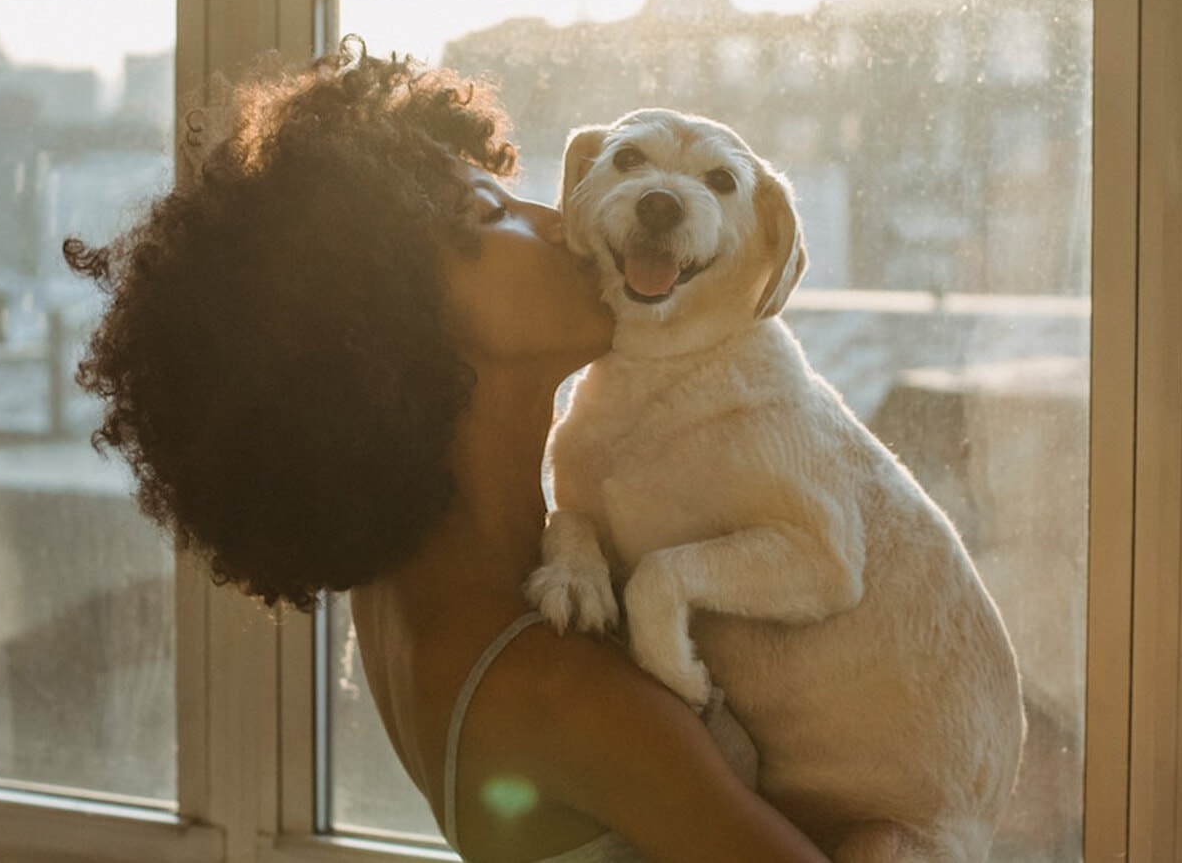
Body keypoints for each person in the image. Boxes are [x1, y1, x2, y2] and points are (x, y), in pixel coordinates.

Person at [68, 43, 828, 863]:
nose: (558, 222)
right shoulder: (562, 694)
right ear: (390, 322)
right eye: (492, 215)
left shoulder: (403, 594)